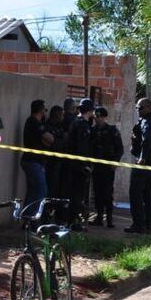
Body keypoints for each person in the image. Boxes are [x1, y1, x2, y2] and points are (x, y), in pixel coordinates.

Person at [127, 98, 151, 234]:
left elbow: (147, 139)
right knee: (147, 193)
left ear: (148, 107)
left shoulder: (147, 121)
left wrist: (142, 158)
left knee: (135, 193)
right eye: (137, 108)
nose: (138, 111)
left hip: (144, 163)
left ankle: (139, 224)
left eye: (140, 108)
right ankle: (149, 223)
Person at [90, 106, 124, 227]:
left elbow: (120, 148)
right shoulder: (92, 130)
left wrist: (115, 162)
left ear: (104, 117)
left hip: (108, 166)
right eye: (95, 116)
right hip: (96, 166)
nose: (97, 119)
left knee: (107, 193)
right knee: (97, 192)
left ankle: (109, 219)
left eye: (99, 116)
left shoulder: (112, 130)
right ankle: (99, 217)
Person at [66, 98, 95, 231]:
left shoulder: (75, 122)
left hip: (72, 164)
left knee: (75, 194)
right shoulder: (82, 125)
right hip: (78, 166)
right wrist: (85, 164)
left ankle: (72, 220)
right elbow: (81, 148)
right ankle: (73, 222)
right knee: (77, 195)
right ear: (90, 111)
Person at [21, 99, 54, 218]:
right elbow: (50, 139)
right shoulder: (34, 123)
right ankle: (33, 220)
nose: (45, 113)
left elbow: (47, 142)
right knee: (41, 192)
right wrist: (48, 138)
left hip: (32, 161)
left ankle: (27, 220)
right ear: (41, 110)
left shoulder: (33, 122)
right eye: (44, 110)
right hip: (33, 161)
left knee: (32, 191)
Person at [45, 105, 67, 201]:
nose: (63, 117)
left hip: (58, 162)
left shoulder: (59, 127)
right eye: (62, 115)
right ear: (57, 115)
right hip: (50, 163)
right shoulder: (47, 127)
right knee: (50, 190)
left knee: (55, 190)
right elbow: (54, 144)